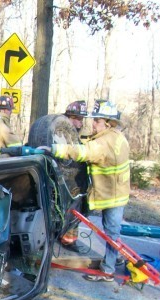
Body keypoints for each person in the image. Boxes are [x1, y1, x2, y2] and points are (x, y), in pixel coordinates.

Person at [43, 100, 130, 282]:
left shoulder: (105, 142)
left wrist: (53, 148)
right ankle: (115, 257)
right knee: (112, 231)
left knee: (111, 232)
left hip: (111, 195)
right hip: (115, 192)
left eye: (97, 121)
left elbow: (84, 152)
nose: (92, 124)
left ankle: (108, 270)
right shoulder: (115, 136)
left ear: (108, 122)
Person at [60, 100, 91, 253]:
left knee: (76, 211)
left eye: (81, 120)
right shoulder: (58, 133)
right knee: (66, 210)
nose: (79, 124)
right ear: (67, 117)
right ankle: (64, 239)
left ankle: (68, 240)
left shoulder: (81, 135)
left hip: (78, 181)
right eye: (76, 119)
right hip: (64, 180)